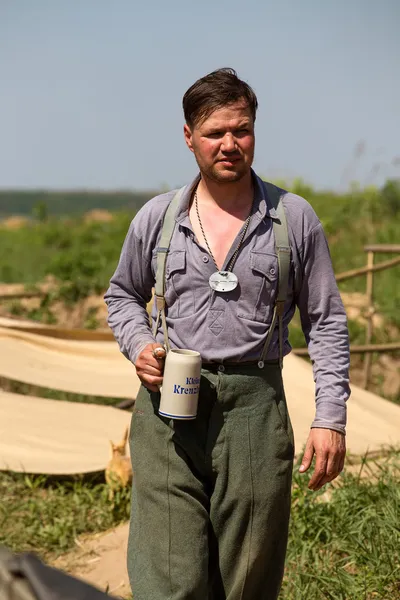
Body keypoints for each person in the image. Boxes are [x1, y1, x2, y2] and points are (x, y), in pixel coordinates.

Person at [104, 68, 350, 600]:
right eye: (215, 132)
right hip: (167, 408)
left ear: (254, 133)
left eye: (241, 130)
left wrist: (330, 419)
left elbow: (326, 321)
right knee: (169, 578)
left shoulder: (293, 219)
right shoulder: (158, 218)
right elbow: (121, 295)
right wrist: (140, 345)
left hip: (256, 411)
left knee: (246, 580)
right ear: (189, 137)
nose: (230, 144)